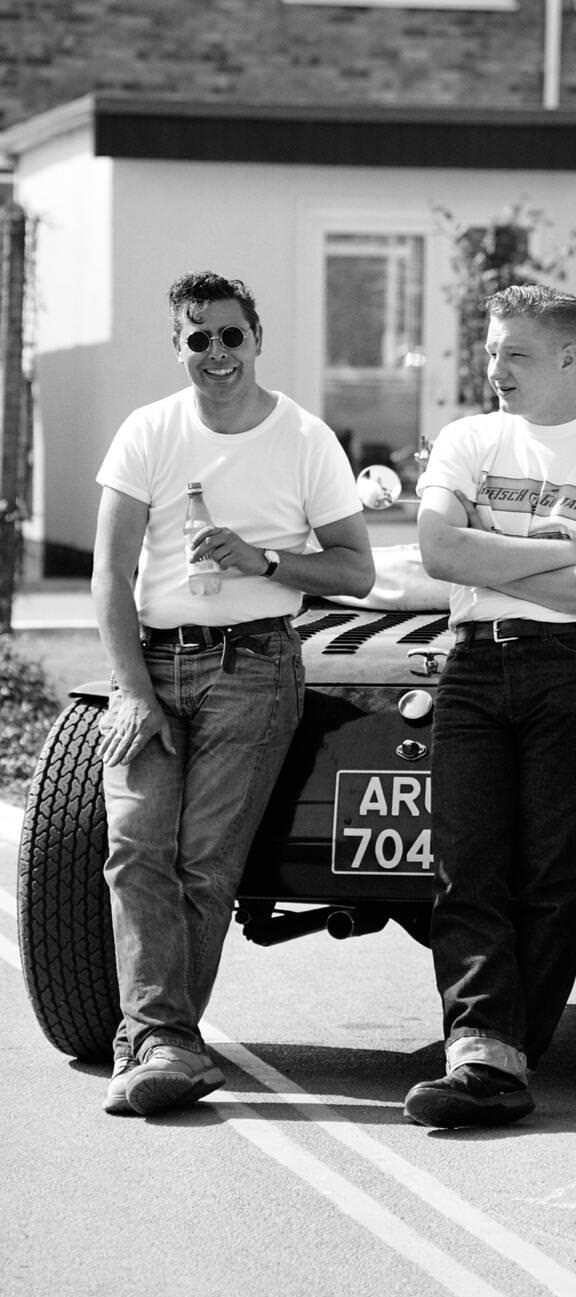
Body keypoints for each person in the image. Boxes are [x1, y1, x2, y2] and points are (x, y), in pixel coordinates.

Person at [92, 270, 374, 1117]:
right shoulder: (149, 432)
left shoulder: (305, 439)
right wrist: (133, 692)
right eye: (197, 338)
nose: (216, 353)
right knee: (134, 845)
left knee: (205, 864)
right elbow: (109, 574)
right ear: (177, 346)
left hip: (253, 666)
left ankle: (156, 1042)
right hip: (151, 662)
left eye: (230, 335)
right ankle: (159, 1040)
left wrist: (264, 561)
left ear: (256, 338)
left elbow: (356, 569)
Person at [403, 284, 576, 1129]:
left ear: (567, 356)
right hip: (476, 663)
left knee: (555, 873)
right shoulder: (468, 437)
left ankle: (502, 1054)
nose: (495, 370)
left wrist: (493, 557)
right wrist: (559, 549)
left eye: (514, 354)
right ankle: (485, 1049)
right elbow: (437, 548)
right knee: (465, 862)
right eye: (490, 351)